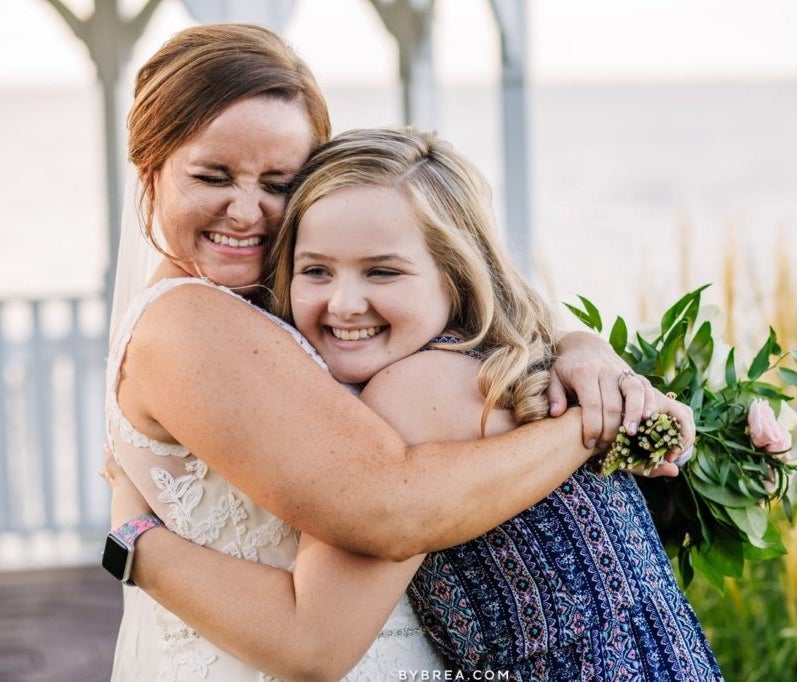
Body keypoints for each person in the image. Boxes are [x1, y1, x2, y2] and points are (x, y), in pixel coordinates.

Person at [104, 127, 717, 681]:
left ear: (453, 276)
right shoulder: (507, 360)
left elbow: (313, 641)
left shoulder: (416, 389)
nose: (344, 304)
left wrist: (134, 539)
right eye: (315, 271)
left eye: (383, 273)